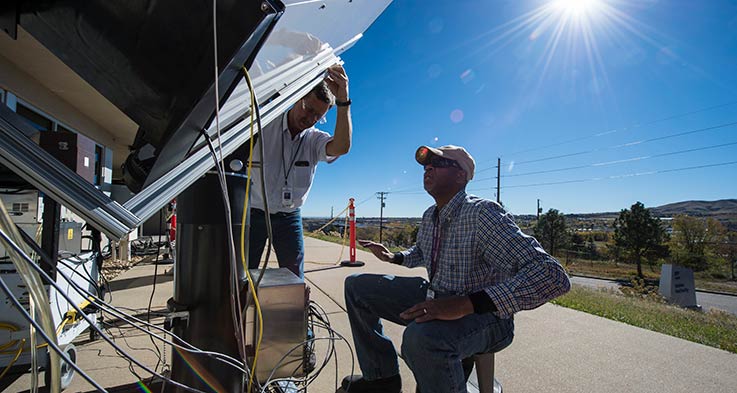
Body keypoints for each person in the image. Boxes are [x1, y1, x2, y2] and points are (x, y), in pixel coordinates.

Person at [341, 145, 571, 393]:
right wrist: (393, 257)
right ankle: (381, 379)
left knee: (421, 339)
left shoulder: (482, 213)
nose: (428, 168)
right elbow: (421, 252)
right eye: (426, 166)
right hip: (435, 296)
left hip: (487, 318)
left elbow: (552, 275)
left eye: (438, 164)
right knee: (357, 286)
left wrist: (464, 305)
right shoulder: (430, 215)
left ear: (461, 175)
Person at [248, 64, 351, 279]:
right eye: (309, 109)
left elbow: (341, 147)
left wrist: (344, 102)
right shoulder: (263, 125)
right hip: (254, 212)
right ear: (297, 98)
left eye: (318, 116)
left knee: (294, 276)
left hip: (289, 217)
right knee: (243, 274)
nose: (311, 119)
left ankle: (293, 311)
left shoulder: (314, 140)